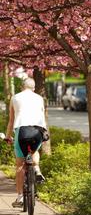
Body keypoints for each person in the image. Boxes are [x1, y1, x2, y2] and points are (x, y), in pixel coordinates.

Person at [5, 78, 46, 207]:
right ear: (33, 88)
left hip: (22, 131)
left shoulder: (15, 98)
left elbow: (11, 120)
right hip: (37, 130)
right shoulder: (39, 98)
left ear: (22, 87)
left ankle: (20, 197)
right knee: (35, 150)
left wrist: (7, 136)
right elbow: (41, 116)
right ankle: (37, 169)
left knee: (20, 165)